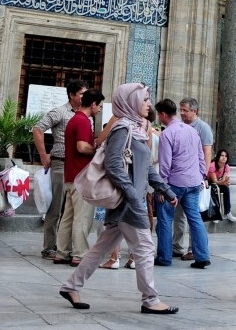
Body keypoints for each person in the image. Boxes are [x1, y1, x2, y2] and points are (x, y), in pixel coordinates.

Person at [58, 82, 179, 314]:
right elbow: (114, 165)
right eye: (144, 100)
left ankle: (71, 286)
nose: (148, 104)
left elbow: (145, 169)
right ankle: (150, 300)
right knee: (144, 248)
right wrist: (134, 196)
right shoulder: (122, 128)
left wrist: (165, 190)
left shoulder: (135, 128)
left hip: (130, 200)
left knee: (101, 248)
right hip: (129, 202)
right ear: (131, 101)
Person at [33, 79, 89, 260]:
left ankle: (65, 248)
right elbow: (38, 128)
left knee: (71, 208)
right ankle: (49, 247)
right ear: (72, 95)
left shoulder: (86, 114)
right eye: (81, 93)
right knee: (56, 206)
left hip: (78, 166)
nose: (84, 96)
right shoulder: (60, 112)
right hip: (61, 163)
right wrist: (43, 155)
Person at [96, 108, 157, 270]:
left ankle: (114, 257)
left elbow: (101, 141)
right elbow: (146, 156)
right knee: (136, 222)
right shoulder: (147, 125)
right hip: (137, 181)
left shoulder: (118, 119)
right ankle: (134, 257)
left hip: (118, 180)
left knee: (113, 222)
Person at [154, 98, 210, 269]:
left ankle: (164, 257)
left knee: (164, 218)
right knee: (195, 218)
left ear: (163, 115)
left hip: (175, 184)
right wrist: (201, 176)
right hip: (193, 182)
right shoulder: (192, 131)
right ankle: (202, 256)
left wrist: (161, 188)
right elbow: (201, 157)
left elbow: (165, 165)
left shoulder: (167, 134)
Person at [54, 89, 105, 266]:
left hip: (70, 175)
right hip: (81, 177)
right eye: (99, 106)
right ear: (92, 104)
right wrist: (97, 151)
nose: (99, 109)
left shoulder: (73, 119)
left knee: (68, 217)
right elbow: (82, 147)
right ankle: (80, 254)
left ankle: (61, 252)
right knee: (82, 218)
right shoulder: (83, 121)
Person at [172, 97, 213, 262]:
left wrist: (203, 176)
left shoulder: (203, 128)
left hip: (194, 178)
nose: (181, 113)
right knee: (178, 214)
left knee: (193, 215)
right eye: (180, 110)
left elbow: (207, 152)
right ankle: (177, 246)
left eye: (185, 110)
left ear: (194, 111)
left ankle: (193, 249)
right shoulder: (179, 126)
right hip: (179, 178)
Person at [207, 149, 236, 222]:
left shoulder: (226, 166)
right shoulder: (212, 166)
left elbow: (223, 180)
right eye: (222, 155)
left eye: (225, 156)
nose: (224, 157)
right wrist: (224, 182)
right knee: (215, 188)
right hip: (209, 183)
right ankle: (215, 214)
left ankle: (228, 212)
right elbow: (215, 181)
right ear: (218, 157)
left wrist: (226, 182)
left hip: (218, 182)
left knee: (226, 189)